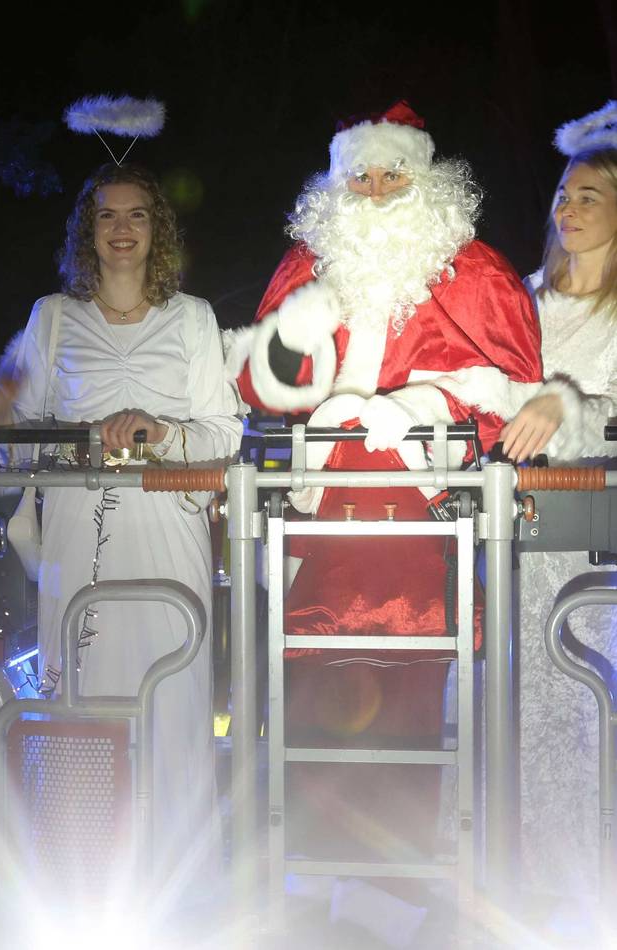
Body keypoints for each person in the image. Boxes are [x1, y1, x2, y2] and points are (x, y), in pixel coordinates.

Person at [227, 102, 543, 872]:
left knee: (411, 720)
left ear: (425, 179)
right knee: (307, 712)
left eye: (391, 174)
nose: (373, 191)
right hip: (321, 528)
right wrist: (324, 398)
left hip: (424, 531)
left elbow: (512, 388)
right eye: (358, 176)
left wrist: (421, 405)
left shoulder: (475, 272)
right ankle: (311, 885)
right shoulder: (307, 267)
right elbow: (258, 380)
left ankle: (401, 887)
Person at [0, 162, 242, 889]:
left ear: (158, 229)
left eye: (136, 216)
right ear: (86, 232)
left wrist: (158, 431)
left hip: (166, 531)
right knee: (80, 701)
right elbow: (12, 436)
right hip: (74, 535)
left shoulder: (191, 318)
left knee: (171, 700)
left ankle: (176, 885)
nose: (121, 230)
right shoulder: (51, 316)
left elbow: (224, 434)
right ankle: (78, 881)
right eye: (106, 217)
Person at [499, 103, 617, 912]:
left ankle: (580, 899)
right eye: (563, 196)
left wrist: (561, 406)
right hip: (506, 538)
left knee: (579, 719)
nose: (566, 210)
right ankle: (503, 896)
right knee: (500, 715)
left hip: (587, 552)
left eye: (588, 197)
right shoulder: (518, 298)